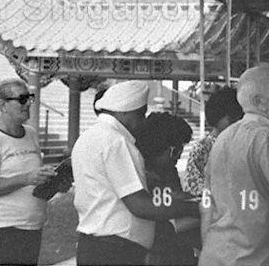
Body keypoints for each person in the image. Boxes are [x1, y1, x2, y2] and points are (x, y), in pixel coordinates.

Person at [71, 80, 199, 266]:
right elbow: (140, 206)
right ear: (123, 111)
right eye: (140, 115)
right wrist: (195, 209)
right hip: (114, 251)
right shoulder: (116, 141)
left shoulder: (90, 136)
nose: (141, 123)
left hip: (97, 245)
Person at [199, 66, 269, 266]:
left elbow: (206, 206)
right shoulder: (267, 138)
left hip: (218, 258)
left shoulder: (224, 137)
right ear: (258, 102)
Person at [0, 78, 55, 266]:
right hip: (5, 231)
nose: (28, 103)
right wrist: (26, 178)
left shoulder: (31, 133)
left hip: (32, 228)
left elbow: (33, 180)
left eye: (29, 98)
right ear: (2, 105)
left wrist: (53, 182)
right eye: (22, 99)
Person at [136, 112, 197, 265]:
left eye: (180, 151)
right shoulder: (138, 175)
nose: (178, 157)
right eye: (174, 151)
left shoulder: (169, 170)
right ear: (156, 147)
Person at [183, 85, 243, 197]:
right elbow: (193, 187)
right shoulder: (202, 148)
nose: (236, 124)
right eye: (231, 119)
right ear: (217, 115)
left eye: (239, 119)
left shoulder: (243, 145)